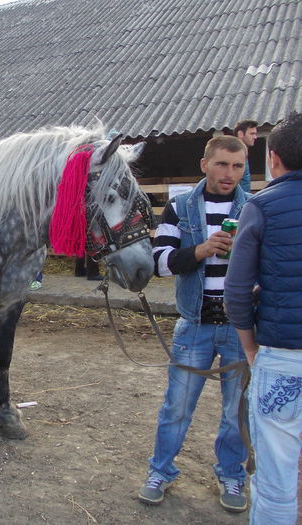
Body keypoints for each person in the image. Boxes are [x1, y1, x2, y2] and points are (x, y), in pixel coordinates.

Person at [139, 135, 251, 512]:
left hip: (241, 328)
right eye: (222, 164)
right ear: (204, 165)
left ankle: (233, 476)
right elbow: (160, 263)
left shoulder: (253, 208)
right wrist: (202, 250)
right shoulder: (180, 206)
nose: (229, 173)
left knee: (237, 411)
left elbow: (268, 272)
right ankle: (160, 471)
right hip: (195, 323)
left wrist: (245, 260)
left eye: (237, 166)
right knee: (177, 407)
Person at [224, 111, 302, 525]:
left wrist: (250, 346)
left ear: (273, 160)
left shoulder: (263, 205)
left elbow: (237, 292)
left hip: (282, 356)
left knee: (276, 475)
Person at [233, 119, 258, 192]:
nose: (255, 137)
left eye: (255, 134)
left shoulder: (243, 153)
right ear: (240, 134)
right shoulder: (232, 154)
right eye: (252, 134)